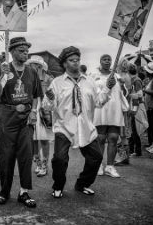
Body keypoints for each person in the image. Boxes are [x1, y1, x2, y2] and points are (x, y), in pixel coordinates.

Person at [43, 46, 116, 198]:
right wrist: (49, 98)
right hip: (64, 127)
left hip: (86, 127)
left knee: (96, 158)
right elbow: (48, 106)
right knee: (59, 159)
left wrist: (108, 88)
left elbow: (99, 102)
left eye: (77, 60)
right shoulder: (56, 83)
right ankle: (58, 186)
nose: (75, 63)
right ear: (64, 63)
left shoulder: (89, 81)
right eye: (71, 60)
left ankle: (82, 184)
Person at [0, 37, 42, 208]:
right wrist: (3, 76)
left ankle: (24, 192)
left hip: (26, 117)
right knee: (6, 156)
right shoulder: (5, 70)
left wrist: (34, 111)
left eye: (26, 50)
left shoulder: (32, 71)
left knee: (26, 155)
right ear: (12, 52)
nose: (25, 53)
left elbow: (36, 95)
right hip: (8, 116)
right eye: (21, 50)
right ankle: (4, 192)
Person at [91, 54, 125, 178]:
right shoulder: (93, 76)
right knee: (100, 138)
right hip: (100, 109)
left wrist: (123, 83)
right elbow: (91, 93)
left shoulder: (117, 76)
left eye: (109, 59)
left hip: (114, 110)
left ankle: (110, 166)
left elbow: (123, 93)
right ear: (100, 61)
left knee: (114, 137)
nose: (107, 61)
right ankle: (98, 165)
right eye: (104, 59)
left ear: (112, 62)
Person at [25, 55, 54, 177]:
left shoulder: (48, 79)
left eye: (34, 65)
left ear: (39, 66)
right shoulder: (28, 78)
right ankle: (37, 162)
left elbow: (53, 97)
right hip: (31, 109)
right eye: (31, 65)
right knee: (33, 139)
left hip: (43, 110)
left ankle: (44, 165)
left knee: (44, 139)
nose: (32, 67)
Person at [128, 63, 148, 157]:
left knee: (135, 129)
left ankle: (137, 151)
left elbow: (140, 94)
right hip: (135, 106)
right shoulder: (133, 80)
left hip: (137, 106)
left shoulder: (136, 80)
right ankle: (132, 150)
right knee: (133, 129)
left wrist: (129, 95)